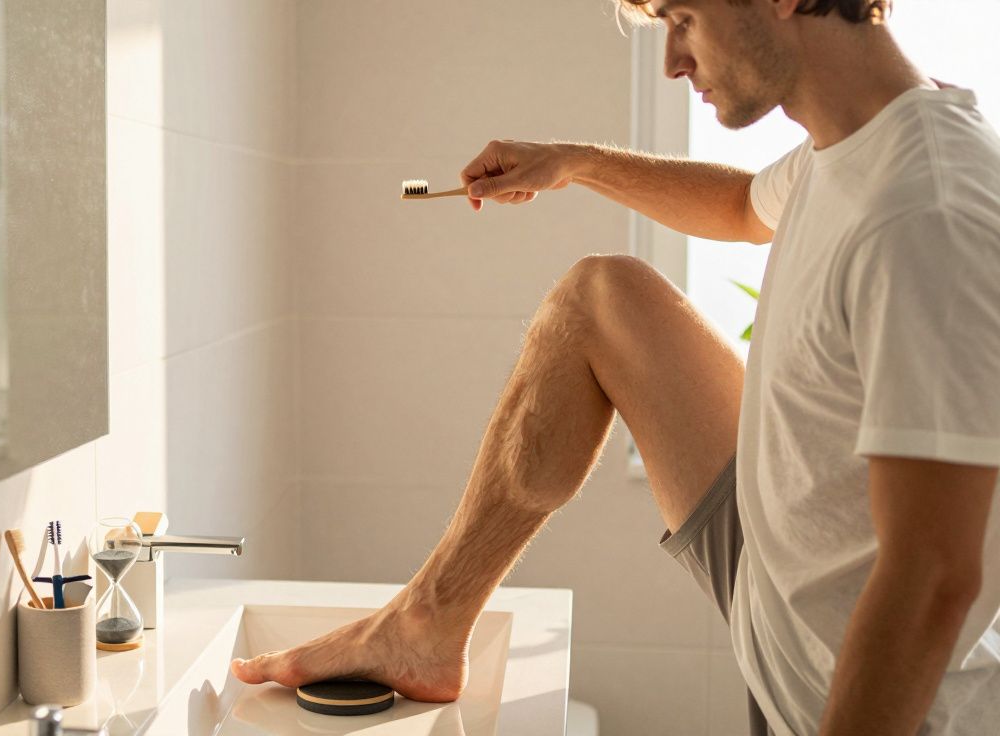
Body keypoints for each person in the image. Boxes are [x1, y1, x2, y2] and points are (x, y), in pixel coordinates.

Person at [229, 0, 1000, 733]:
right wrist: (576, 162)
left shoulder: (927, 213)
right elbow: (742, 208)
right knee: (602, 300)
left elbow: (932, 579)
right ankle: (427, 623)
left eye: (683, 18)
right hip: (786, 579)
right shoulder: (851, 145)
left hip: (865, 695)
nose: (671, 60)